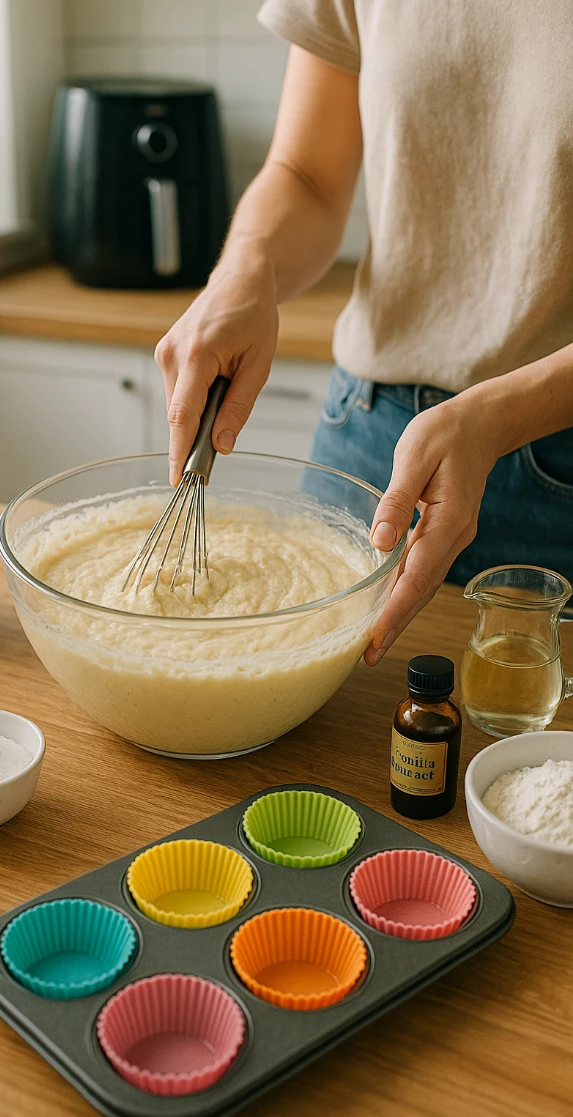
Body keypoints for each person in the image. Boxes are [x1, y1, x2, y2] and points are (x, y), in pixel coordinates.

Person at [154, 1, 573, 667]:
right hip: (367, 444)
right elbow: (309, 176)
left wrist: (497, 416)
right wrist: (245, 268)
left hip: (558, 481)